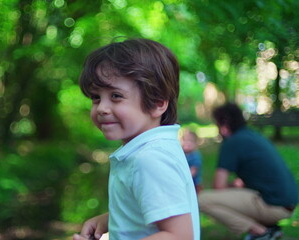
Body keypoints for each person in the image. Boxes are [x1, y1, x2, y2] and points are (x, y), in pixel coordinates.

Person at [72, 38, 200, 240]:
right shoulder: (150, 150)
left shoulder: (149, 159)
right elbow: (150, 214)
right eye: (96, 97)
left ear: (157, 103)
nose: (102, 108)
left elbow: (180, 235)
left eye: (115, 96)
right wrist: (110, 219)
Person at [198, 102, 298, 240]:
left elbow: (218, 186)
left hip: (273, 206)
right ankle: (270, 228)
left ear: (224, 125)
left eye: (217, 124)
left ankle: (261, 232)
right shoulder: (251, 135)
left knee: (202, 200)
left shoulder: (232, 142)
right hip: (288, 203)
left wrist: (231, 187)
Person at [181, 129, 203, 194]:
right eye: (185, 140)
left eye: (191, 141)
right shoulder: (182, 154)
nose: (187, 143)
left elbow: (193, 171)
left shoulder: (195, 156)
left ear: (196, 144)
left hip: (194, 183)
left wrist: (184, 177)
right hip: (185, 182)